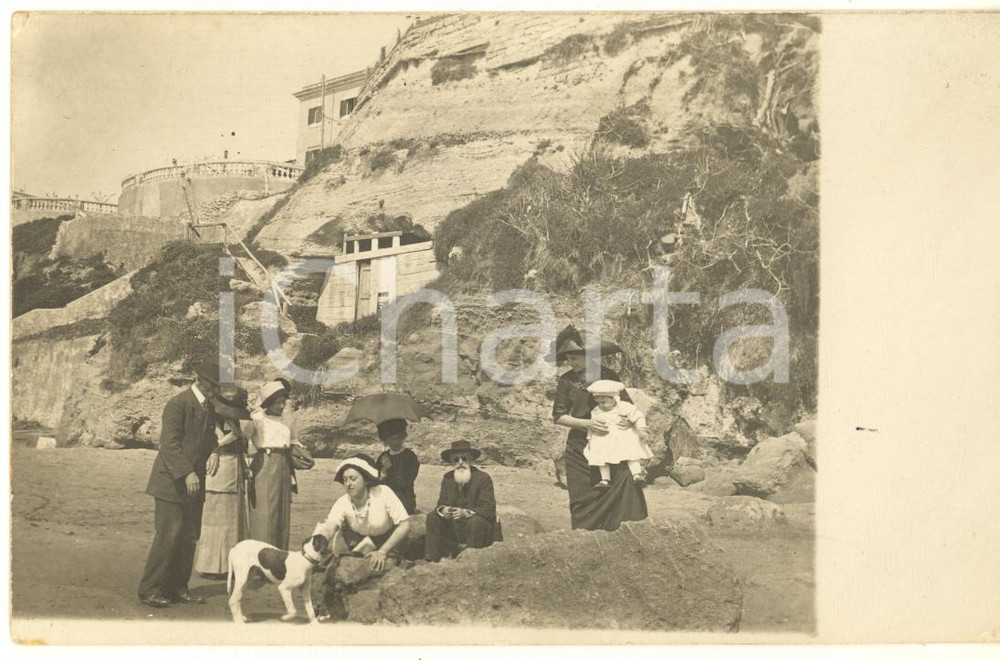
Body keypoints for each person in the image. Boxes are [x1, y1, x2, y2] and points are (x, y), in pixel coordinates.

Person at [137, 361, 220, 608]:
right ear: (200, 380)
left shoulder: (209, 407)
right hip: (171, 483)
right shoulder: (178, 404)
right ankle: (150, 589)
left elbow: (210, 438)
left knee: (189, 536)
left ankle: (177, 588)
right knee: (169, 535)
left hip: (194, 484)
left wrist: (215, 451)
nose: (215, 390)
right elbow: (169, 445)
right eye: (213, 385)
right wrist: (187, 473)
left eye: (218, 386)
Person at [551, 324, 648, 531]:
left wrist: (628, 420)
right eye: (568, 358)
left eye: (575, 357)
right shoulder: (566, 381)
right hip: (580, 446)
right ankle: (587, 542)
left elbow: (626, 403)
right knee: (584, 496)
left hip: (613, 442)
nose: (571, 362)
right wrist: (588, 423)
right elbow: (558, 417)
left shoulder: (609, 375)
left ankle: (628, 536)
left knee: (625, 483)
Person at [312, 455, 411, 621]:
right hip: (357, 545)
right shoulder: (343, 502)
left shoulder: (383, 493)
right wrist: (322, 538)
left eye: (353, 478)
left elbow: (404, 525)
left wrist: (382, 551)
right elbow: (332, 525)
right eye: (345, 480)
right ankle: (325, 610)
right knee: (329, 572)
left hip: (388, 542)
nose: (348, 484)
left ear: (365, 480)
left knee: (379, 571)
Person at [194, 384, 251, 579]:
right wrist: (219, 446)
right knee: (216, 521)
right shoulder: (212, 421)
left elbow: (241, 444)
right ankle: (213, 566)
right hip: (219, 474)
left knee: (232, 520)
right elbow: (205, 443)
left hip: (233, 473)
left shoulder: (231, 421)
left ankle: (230, 565)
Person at [242, 379, 299, 550]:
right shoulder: (257, 418)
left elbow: (294, 441)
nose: (282, 406)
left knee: (281, 509)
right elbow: (243, 441)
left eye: (284, 402)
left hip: (283, 464)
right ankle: (260, 553)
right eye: (278, 402)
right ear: (269, 402)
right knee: (264, 509)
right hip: (263, 464)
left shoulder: (287, 419)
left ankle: (280, 553)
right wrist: (246, 465)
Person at [424, 440, 499, 562]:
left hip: (476, 527)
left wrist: (465, 512)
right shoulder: (448, 478)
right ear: (452, 461)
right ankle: (432, 559)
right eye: (456, 459)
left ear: (470, 459)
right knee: (433, 517)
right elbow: (441, 503)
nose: (460, 462)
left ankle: (470, 561)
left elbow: (488, 509)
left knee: (475, 523)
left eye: (463, 458)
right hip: (454, 527)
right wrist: (444, 510)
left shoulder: (483, 478)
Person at [584, 380, 654, 487]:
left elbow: (638, 417)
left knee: (631, 454)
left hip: (622, 436)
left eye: (604, 402)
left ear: (613, 398)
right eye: (599, 402)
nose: (601, 405)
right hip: (604, 437)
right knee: (601, 457)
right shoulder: (596, 411)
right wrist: (589, 439)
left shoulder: (624, 407)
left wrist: (641, 430)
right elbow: (592, 426)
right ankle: (605, 479)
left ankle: (637, 475)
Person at [375, 418, 420, 514]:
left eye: (398, 438)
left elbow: (406, 481)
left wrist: (390, 467)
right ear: (386, 440)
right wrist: (383, 472)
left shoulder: (410, 457)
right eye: (392, 439)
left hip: (404, 498)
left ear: (403, 437)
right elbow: (375, 479)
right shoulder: (383, 457)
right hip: (384, 496)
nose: (395, 442)